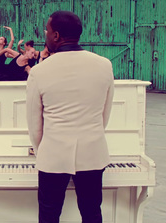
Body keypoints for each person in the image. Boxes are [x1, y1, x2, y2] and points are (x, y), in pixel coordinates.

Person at [26, 11, 114, 223]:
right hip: (93, 150)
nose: (45, 35)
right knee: (92, 211)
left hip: (54, 153)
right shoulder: (104, 65)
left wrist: (43, 149)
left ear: (56, 35)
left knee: (49, 213)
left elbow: (35, 126)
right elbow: (105, 114)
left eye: (47, 30)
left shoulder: (39, 71)